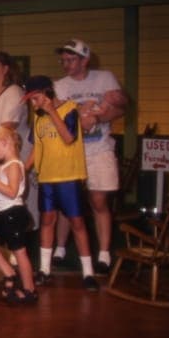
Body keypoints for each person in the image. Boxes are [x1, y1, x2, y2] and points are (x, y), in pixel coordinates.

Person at [51, 39, 129, 275]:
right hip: (71, 151)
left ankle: (104, 255)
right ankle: (60, 249)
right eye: (63, 60)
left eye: (71, 59)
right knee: (68, 202)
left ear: (85, 60)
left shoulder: (104, 78)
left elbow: (121, 107)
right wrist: (82, 115)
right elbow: (58, 116)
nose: (66, 64)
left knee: (98, 201)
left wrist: (97, 117)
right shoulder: (59, 86)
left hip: (99, 149)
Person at [22, 76, 97, 292]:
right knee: (47, 220)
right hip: (47, 177)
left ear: (47, 93)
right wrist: (22, 169)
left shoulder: (69, 109)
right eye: (31, 101)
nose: (33, 105)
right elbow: (36, 147)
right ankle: (44, 269)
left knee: (77, 222)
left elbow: (68, 137)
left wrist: (51, 111)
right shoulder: (38, 118)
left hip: (68, 177)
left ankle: (88, 272)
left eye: (36, 99)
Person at [0, 51, 37, 231]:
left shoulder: (14, 92)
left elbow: (7, 128)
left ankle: (24, 237)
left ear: (5, 69)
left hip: (12, 151)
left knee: (16, 197)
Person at [0, 126, 38, 305]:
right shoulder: (4, 165)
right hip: (1, 214)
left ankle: (30, 290)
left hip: (13, 213)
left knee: (20, 252)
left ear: (6, 143)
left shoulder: (14, 165)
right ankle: (9, 273)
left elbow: (12, 192)